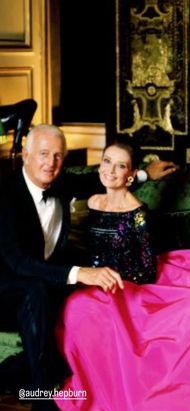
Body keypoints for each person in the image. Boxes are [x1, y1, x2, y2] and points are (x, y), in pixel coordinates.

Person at [0, 124, 176, 410]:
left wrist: (144, 173)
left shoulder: (60, 182)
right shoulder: (5, 195)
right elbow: (17, 262)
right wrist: (80, 272)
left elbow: (107, 181)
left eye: (58, 156)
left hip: (50, 284)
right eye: (43, 154)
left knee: (76, 313)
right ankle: (42, 400)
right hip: (7, 288)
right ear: (25, 154)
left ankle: (11, 374)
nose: (51, 163)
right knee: (38, 291)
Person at [55, 137, 190, 411]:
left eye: (120, 166)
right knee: (76, 308)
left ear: (130, 174)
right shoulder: (86, 201)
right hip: (87, 283)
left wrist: (110, 275)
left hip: (124, 287)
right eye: (106, 162)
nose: (110, 171)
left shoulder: (137, 213)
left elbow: (146, 269)